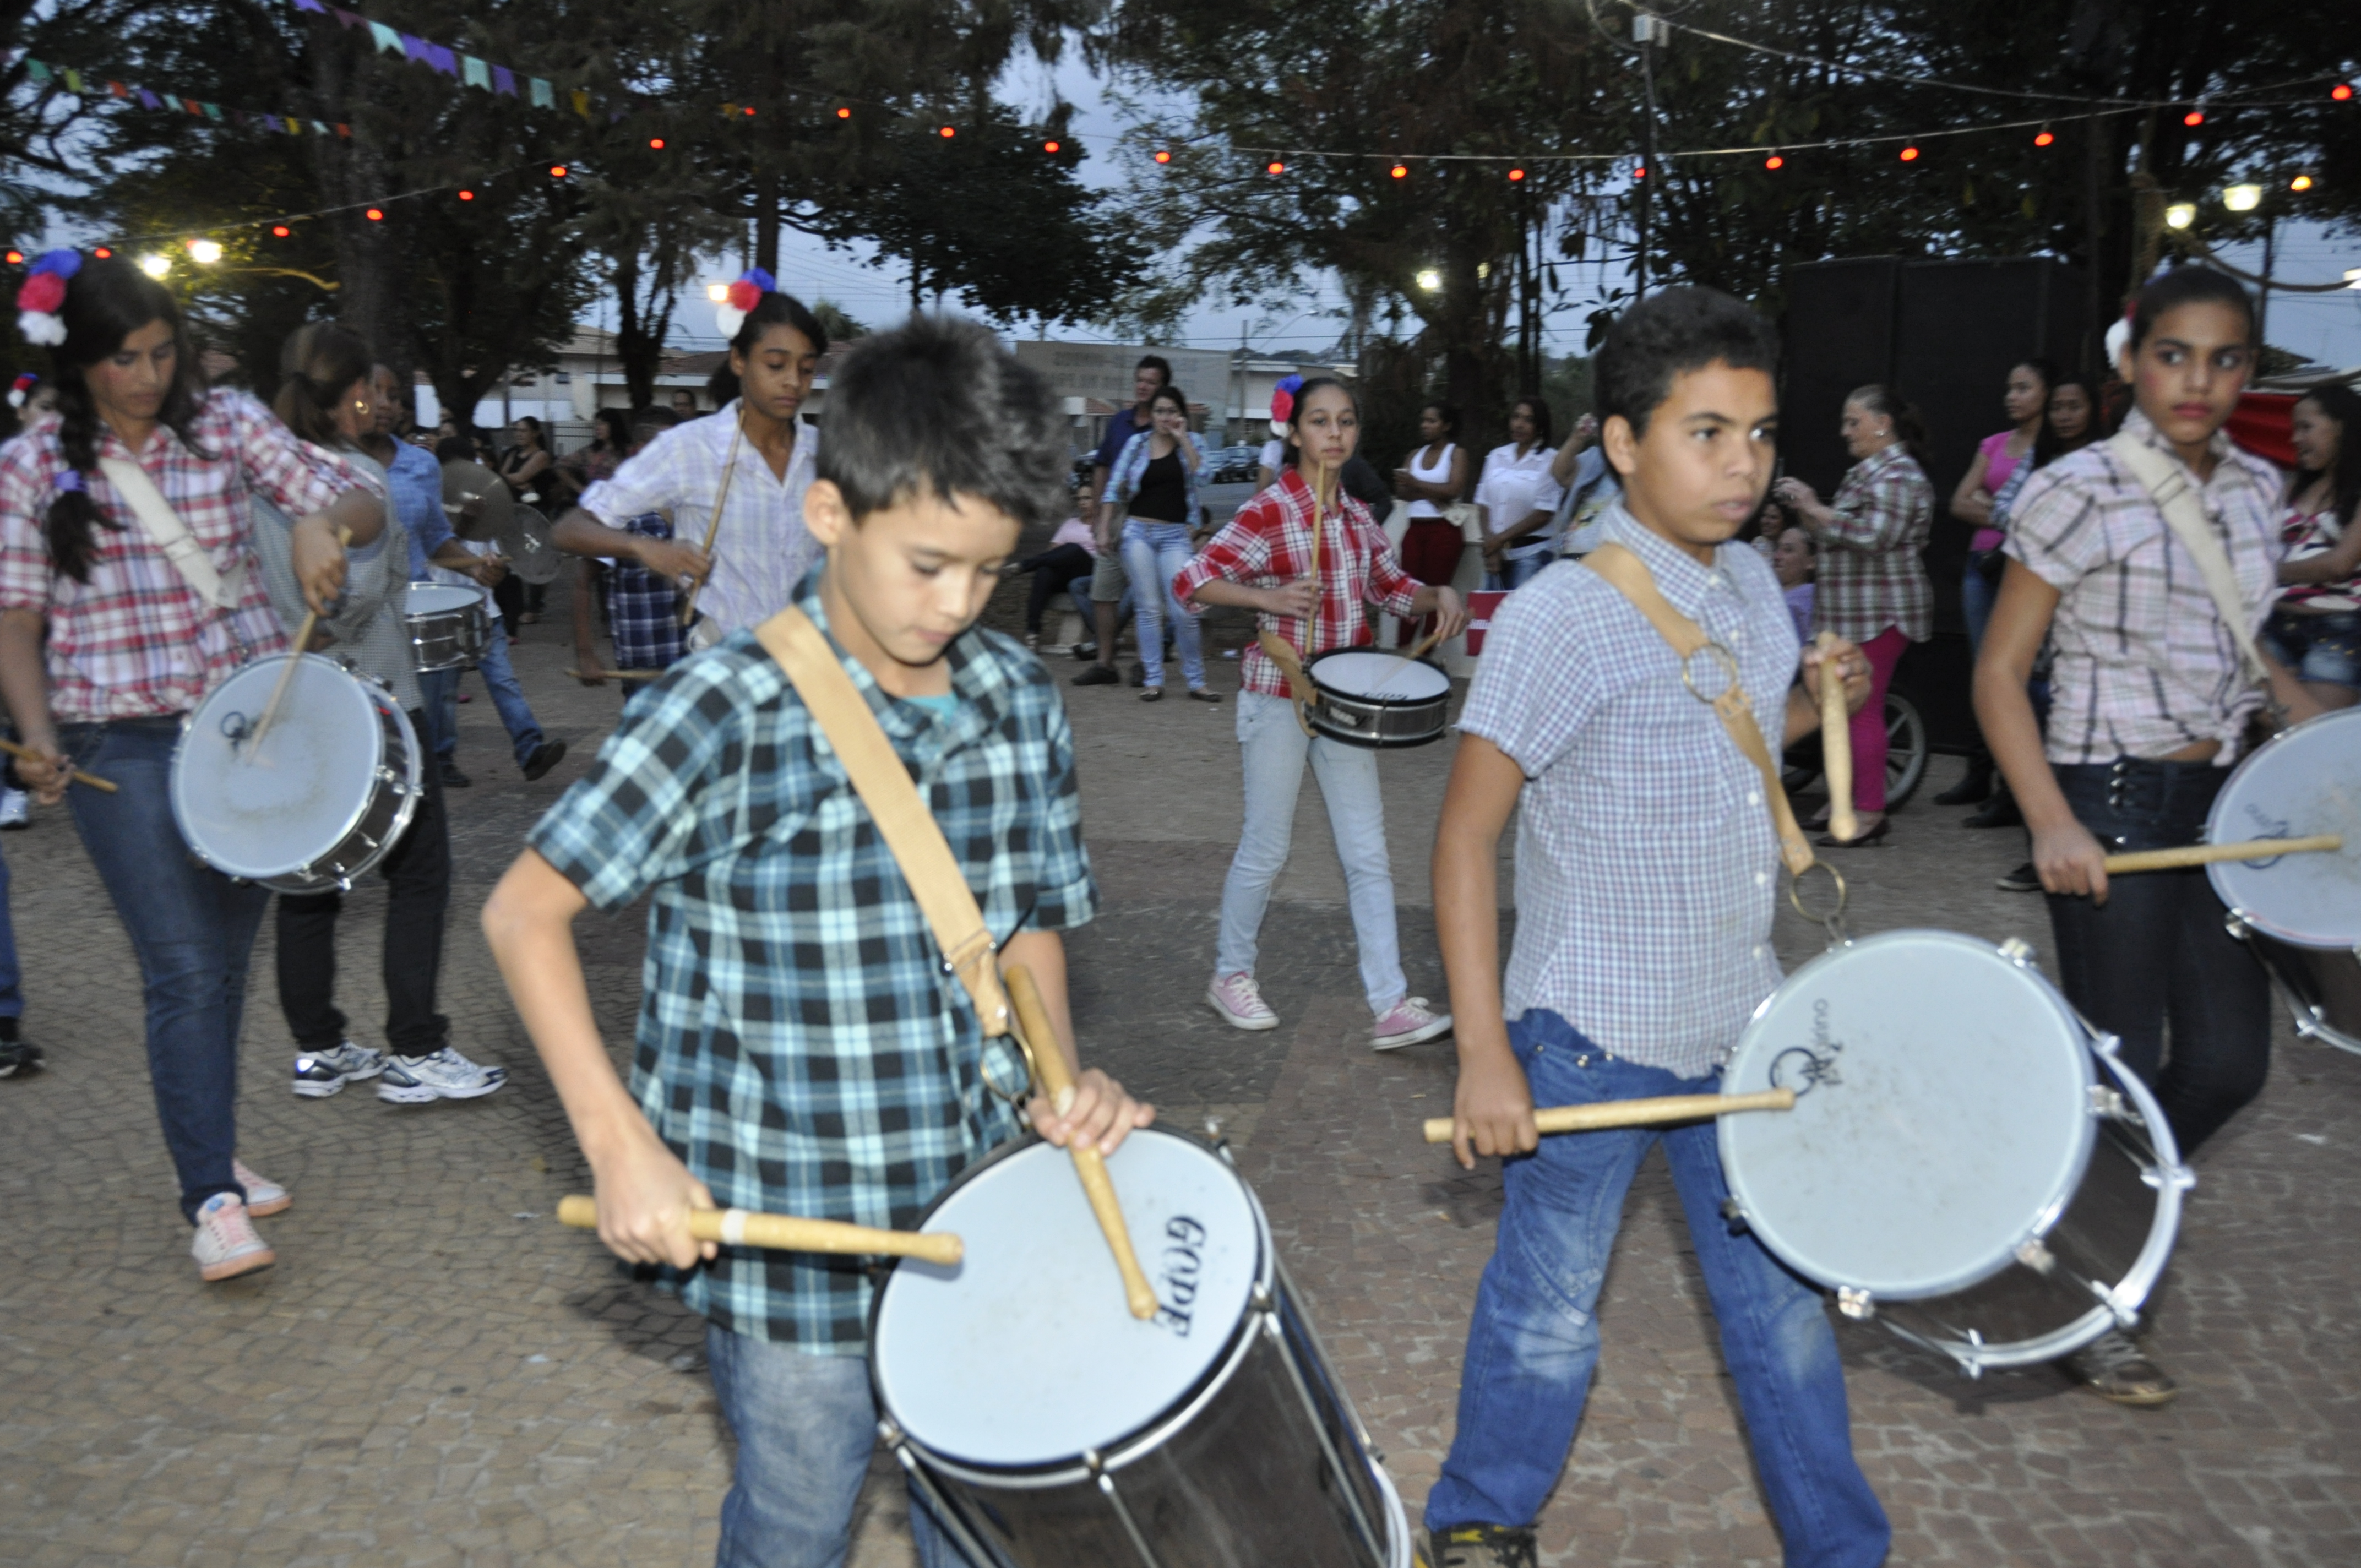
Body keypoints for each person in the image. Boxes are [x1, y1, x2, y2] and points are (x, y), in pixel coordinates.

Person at [480, 315, 1151, 1568]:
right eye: (927, 564)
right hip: (796, 1239)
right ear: (832, 511)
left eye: (987, 573)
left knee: (983, 1510)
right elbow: (523, 909)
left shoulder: (1013, 697)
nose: (953, 607)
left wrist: (1061, 1088)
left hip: (974, 1205)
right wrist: (619, 1144)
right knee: (795, 1521)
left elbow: (1015, 927)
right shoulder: (723, 707)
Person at [1424, 286, 1884, 1568]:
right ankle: (1477, 1515)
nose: (1742, 462)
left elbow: (1732, 748)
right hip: (1589, 1034)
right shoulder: (1558, 615)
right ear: (1622, 442)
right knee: (1548, 1309)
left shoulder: (1744, 578)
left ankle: (1839, 1547)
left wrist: (1820, 704)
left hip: (1738, 1021)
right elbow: (1463, 836)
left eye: (1759, 431)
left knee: (1781, 1312)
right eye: (1705, 431)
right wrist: (1481, 1053)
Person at [1977, 267, 2326, 1407]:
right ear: (2132, 360)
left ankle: (2071, 1199)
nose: (2198, 381)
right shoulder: (2077, 488)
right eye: (2174, 355)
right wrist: (2048, 819)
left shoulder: (2256, 488)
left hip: (2216, 805)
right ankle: (2097, 1299)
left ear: (2248, 373)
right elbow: (1996, 671)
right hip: (2108, 796)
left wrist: (2291, 699)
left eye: (2225, 359)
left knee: (2226, 1061)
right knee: (2122, 1059)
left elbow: (2235, 637)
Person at [0, 253, 383, 1281]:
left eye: (163, 352)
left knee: (220, 962)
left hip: (244, 726)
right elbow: (17, 616)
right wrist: (35, 732)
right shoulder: (32, 465)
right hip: (112, 738)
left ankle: (210, 1140)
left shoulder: (225, 421)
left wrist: (315, 521)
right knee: (178, 968)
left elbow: (362, 502)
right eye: (125, 358)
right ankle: (209, 1196)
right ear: (79, 361)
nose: (149, 375)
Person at [251, 326, 505, 1108]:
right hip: (378, 699)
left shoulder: (251, 481)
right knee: (420, 874)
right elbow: (358, 600)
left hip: (288, 701)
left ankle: (319, 1049)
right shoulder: (357, 476)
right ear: (354, 392)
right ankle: (415, 1049)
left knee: (308, 880)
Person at [1176, 377, 1467, 1049]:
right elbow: (1190, 581)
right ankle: (1230, 974)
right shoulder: (1271, 509)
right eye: (1319, 422)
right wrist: (1266, 601)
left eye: (1344, 422)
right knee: (1266, 846)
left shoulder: (1359, 517)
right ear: (1297, 432)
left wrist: (1441, 593)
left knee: (1368, 853)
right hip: (1276, 694)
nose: (1333, 433)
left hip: (1345, 706)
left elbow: (1395, 593)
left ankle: (1391, 1003)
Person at [554, 281, 826, 649]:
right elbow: (569, 530)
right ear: (739, 360)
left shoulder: (826, 453)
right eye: (776, 365)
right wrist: (645, 548)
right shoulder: (688, 449)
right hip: (727, 667)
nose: (793, 381)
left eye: (807, 369)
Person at [1774, 384, 1936, 847]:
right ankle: (1847, 801)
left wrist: (1812, 506)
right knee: (1839, 708)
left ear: (1883, 424)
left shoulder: (1900, 475)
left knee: (1860, 707)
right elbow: (1833, 536)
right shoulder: (1872, 472)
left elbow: (1874, 537)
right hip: (1851, 613)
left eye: (1853, 422)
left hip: (1881, 613)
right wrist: (1807, 508)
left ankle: (1868, 813)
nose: (1845, 432)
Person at [1939, 361, 2054, 808]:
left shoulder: (2048, 449)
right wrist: (2012, 515)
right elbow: (1959, 502)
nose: (2012, 396)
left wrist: (1995, 509)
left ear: (2047, 393)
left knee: (2018, 672)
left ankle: (2013, 788)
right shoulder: (1994, 444)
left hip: (2022, 569)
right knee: (1983, 668)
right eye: (2010, 388)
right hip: (1981, 564)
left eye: (2024, 387)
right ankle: (1979, 774)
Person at [426, 438, 568, 783]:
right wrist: (464, 523)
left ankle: (530, 749)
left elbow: (495, 557)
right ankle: (440, 760)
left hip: (483, 610)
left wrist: (498, 570)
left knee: (504, 681)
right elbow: (438, 547)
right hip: (444, 610)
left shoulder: (488, 504)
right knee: (444, 693)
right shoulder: (430, 504)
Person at [1103, 383, 1217, 703]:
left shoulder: (1193, 442)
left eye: (1171, 411)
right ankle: (1153, 680)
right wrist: (1102, 527)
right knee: (1149, 608)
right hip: (1138, 532)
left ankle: (1197, 682)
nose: (1165, 417)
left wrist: (1183, 438)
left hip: (1175, 536)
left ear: (1181, 414)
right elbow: (1113, 487)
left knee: (1184, 609)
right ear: (1151, 415)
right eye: (1159, 411)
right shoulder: (1137, 444)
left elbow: (1205, 477)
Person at [571, 406, 687, 690]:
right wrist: (586, 655)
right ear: (638, 452)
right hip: (643, 663)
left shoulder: (695, 506)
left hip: (696, 660)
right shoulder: (617, 509)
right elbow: (582, 583)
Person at [1074, 355, 1172, 688]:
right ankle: (1105, 662)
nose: (1144, 387)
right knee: (1103, 590)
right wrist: (1101, 514)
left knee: (1149, 594)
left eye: (1152, 382)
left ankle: (1149, 664)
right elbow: (1102, 467)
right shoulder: (1119, 422)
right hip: (1116, 513)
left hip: (1153, 514)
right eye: (1140, 380)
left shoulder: (1167, 427)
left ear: (1164, 388)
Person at [2264, 381, 2361, 710]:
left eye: (2306, 428)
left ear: (2341, 427)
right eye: (2294, 430)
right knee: (2262, 733)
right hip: (2272, 624)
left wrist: (2266, 572)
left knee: (2316, 742)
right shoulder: (2289, 488)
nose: (2295, 439)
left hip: (2338, 632)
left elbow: (2339, 564)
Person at [1391, 401, 1470, 644]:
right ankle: (1403, 648)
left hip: (1443, 531)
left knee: (1437, 593)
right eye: (1423, 421)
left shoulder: (1456, 454)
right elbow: (1401, 491)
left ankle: (1426, 653)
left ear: (1446, 426)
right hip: (1415, 530)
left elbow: (1454, 489)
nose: (1425, 426)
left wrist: (1416, 484)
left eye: (1432, 421)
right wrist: (1433, 491)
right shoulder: (1414, 455)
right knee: (1408, 592)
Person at [1473, 398, 1565, 589]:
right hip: (1495, 555)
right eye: (1516, 417)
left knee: (1522, 617)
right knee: (1491, 617)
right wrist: (1492, 546)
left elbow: (1543, 514)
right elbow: (1483, 504)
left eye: (1528, 420)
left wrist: (1499, 540)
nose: (1520, 424)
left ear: (1540, 426)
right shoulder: (1496, 456)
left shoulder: (1551, 460)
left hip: (1531, 555)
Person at [1004, 501, 1098, 654]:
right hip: (1067, 574)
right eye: (1080, 499)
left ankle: (1024, 566)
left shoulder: (1104, 523)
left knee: (1074, 548)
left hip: (1090, 572)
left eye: (1088, 498)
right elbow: (1052, 552)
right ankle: (1032, 634)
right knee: (1044, 571)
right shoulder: (1070, 524)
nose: (1082, 503)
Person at [1773, 520, 1816, 641]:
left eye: (1788, 550)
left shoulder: (1809, 596)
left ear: (1811, 562)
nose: (1777, 557)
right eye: (1778, 548)